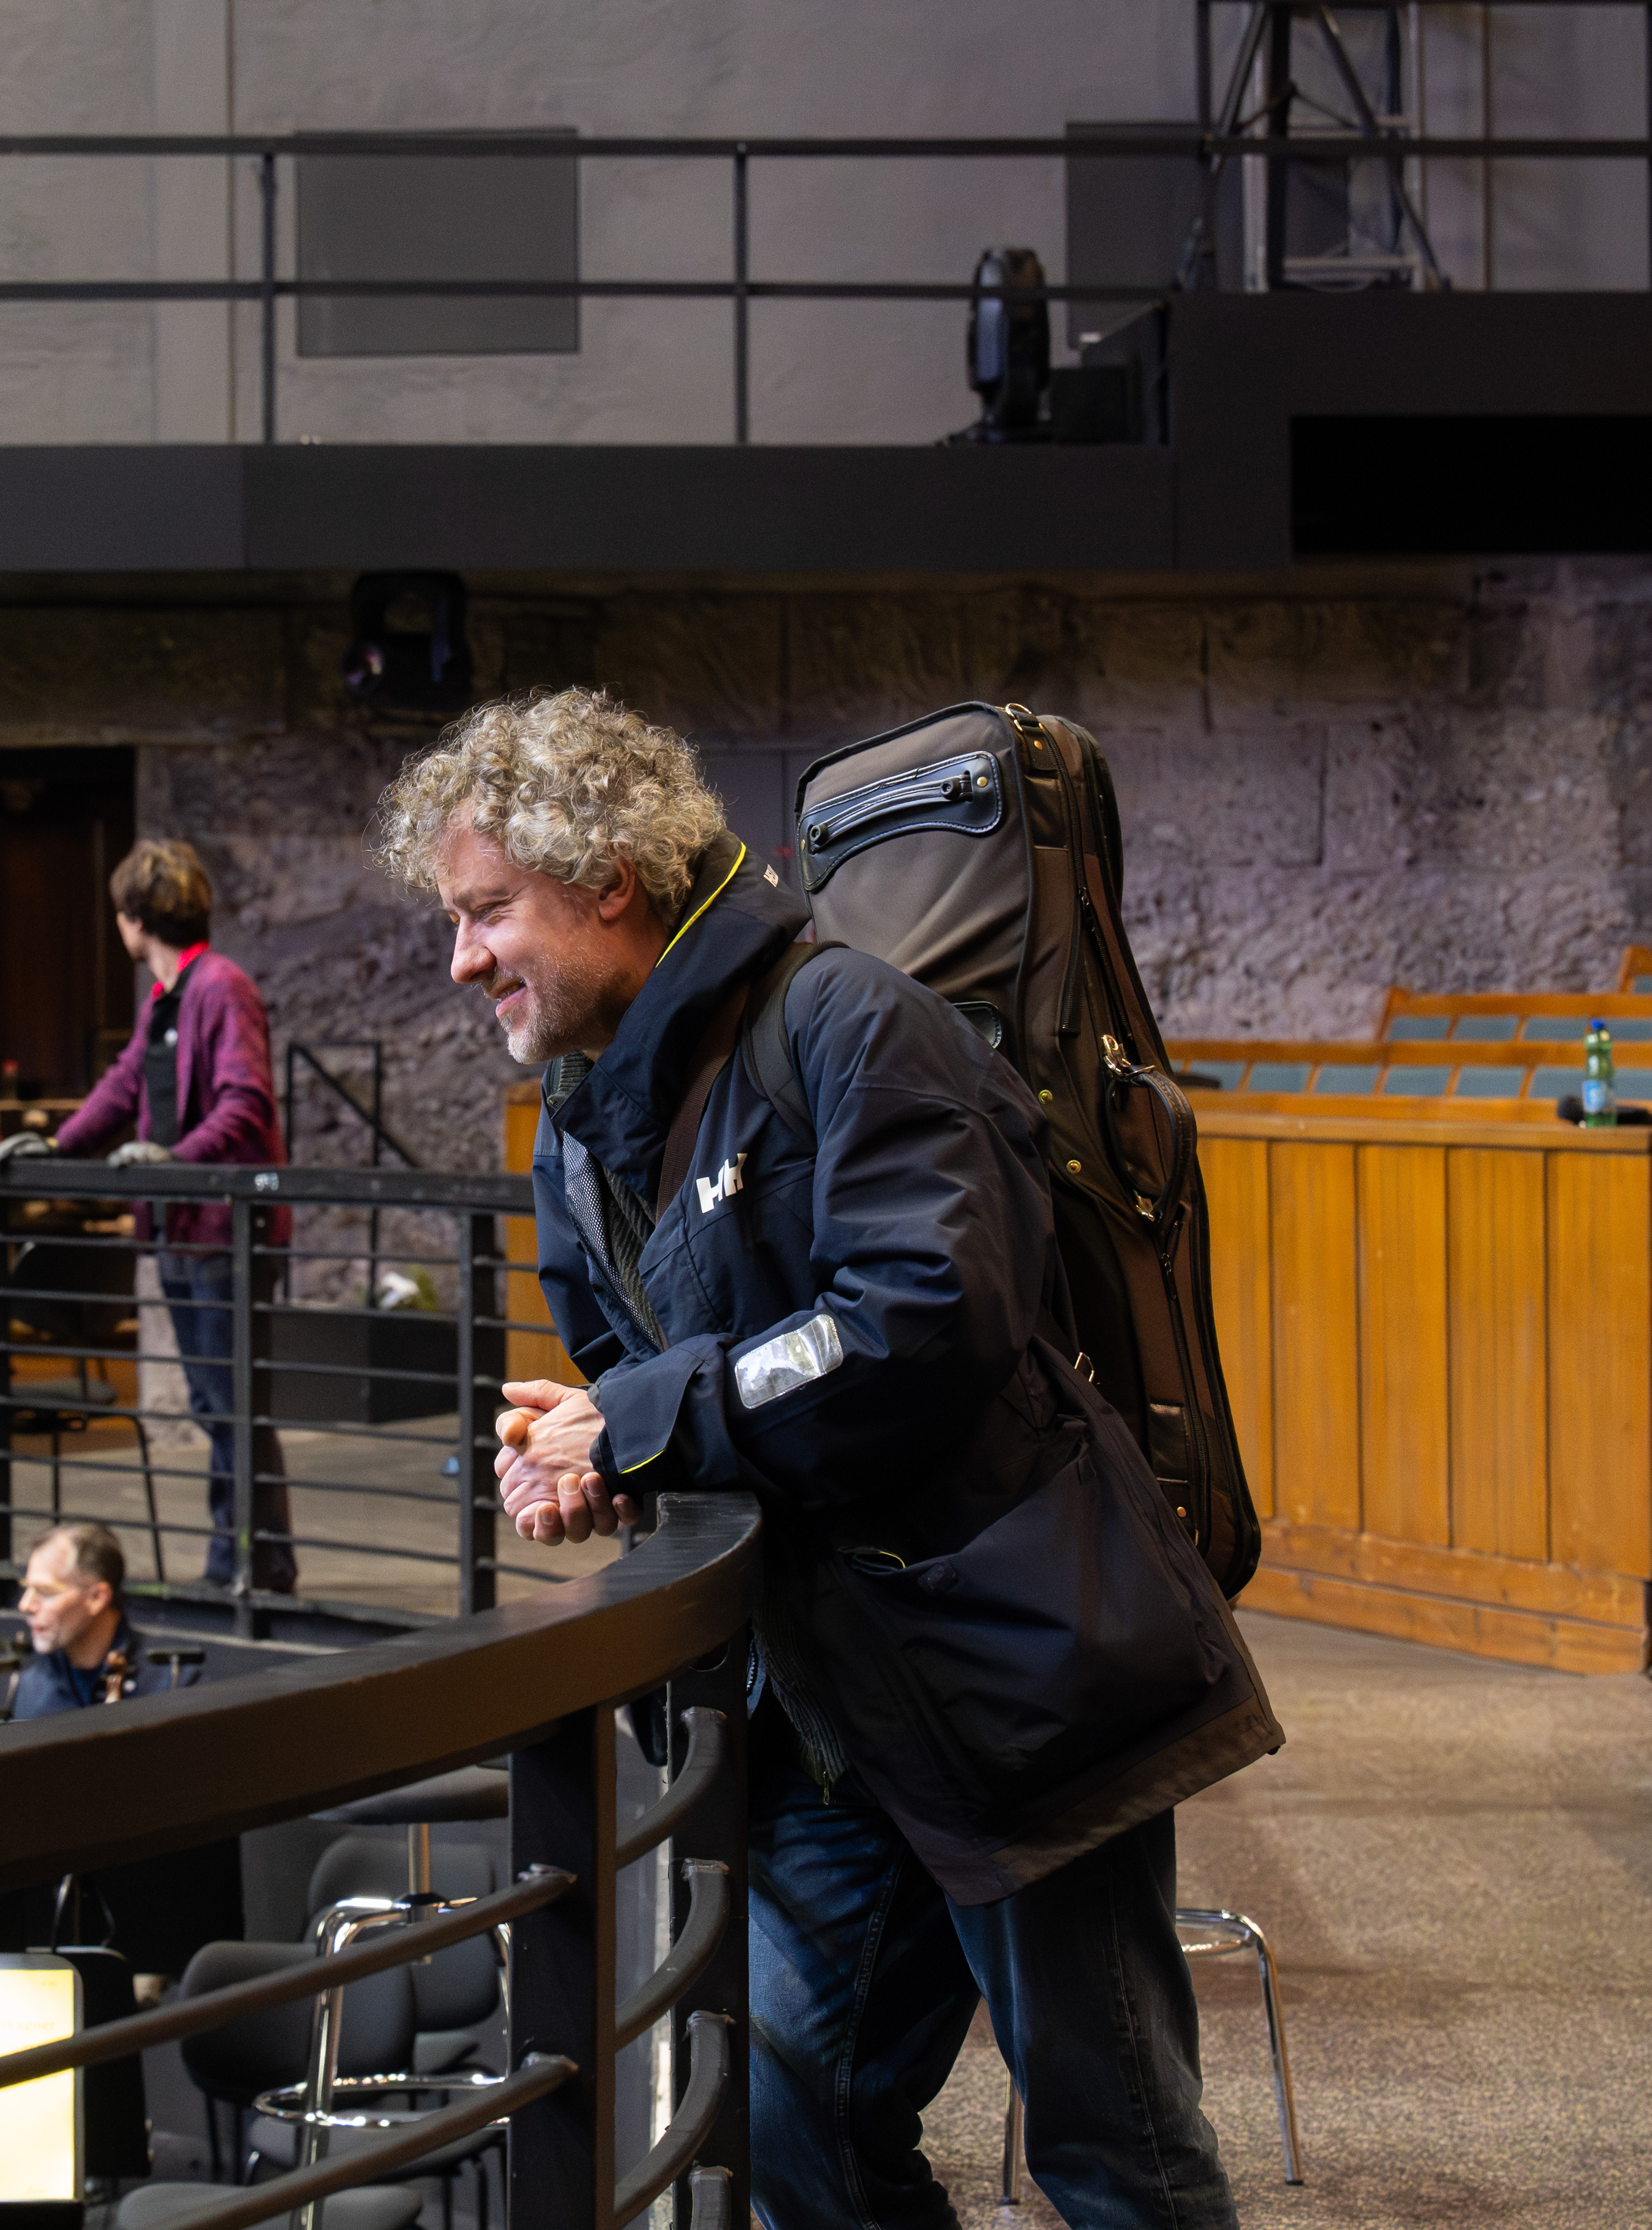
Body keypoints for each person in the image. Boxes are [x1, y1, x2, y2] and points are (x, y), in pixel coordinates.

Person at [375, 689, 1281, 2230]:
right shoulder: (576, 1121)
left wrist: (649, 1415)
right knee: (780, 2111)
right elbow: (636, 1371)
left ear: (606, 880)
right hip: (817, 1705)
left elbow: (925, 1316)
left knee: (1110, 2144)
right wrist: (587, 1453)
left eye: (485, 912)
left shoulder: (851, 1019)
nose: (462, 958)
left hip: (1021, 1676)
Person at [0, 841, 295, 1594]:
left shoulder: (221, 987)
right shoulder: (165, 999)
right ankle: (245, 1565)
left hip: (225, 1230)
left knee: (231, 1408)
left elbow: (246, 1101)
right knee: (214, 1406)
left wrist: (173, 1159)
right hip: (182, 1230)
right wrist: (58, 1145)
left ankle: (252, 1568)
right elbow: (124, 1087)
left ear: (132, 920)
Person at [8, 1521, 189, 1719]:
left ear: (97, 1598)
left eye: (45, 1592)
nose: (25, 1605)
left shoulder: (173, 1682)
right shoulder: (32, 1683)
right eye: (27, 1588)